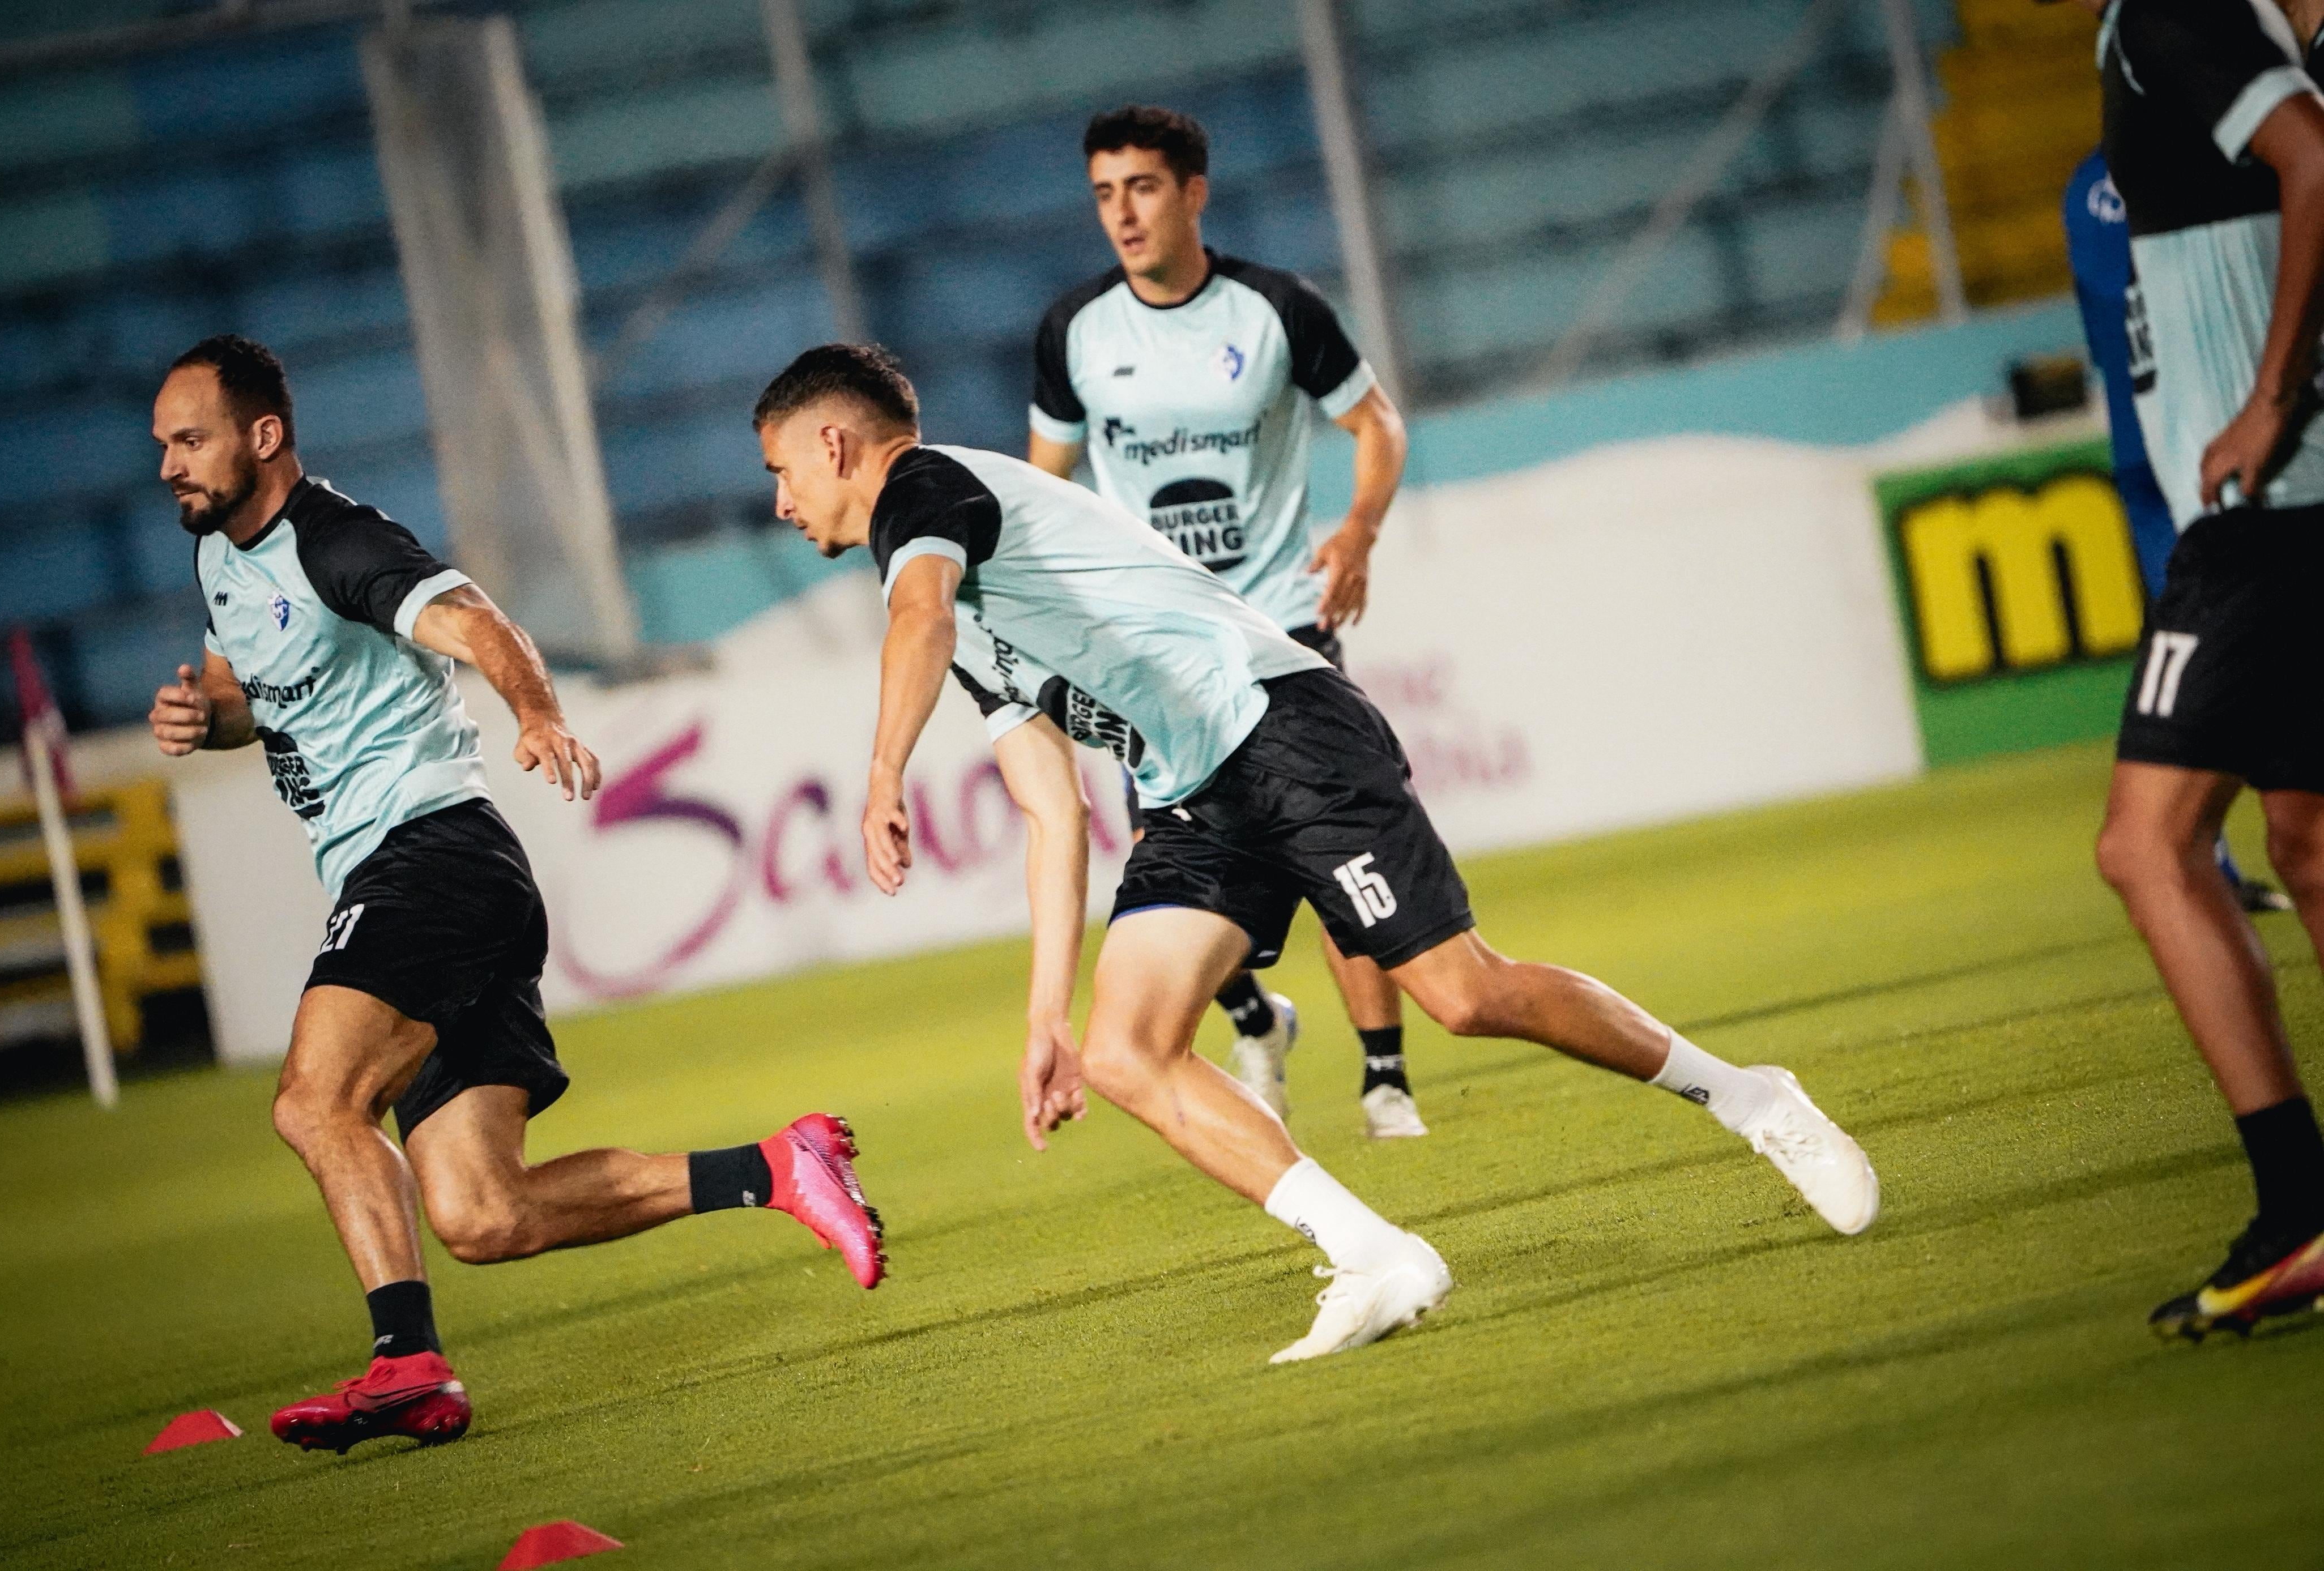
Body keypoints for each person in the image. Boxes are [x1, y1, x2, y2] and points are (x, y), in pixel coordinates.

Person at [753, 343, 1878, 1363]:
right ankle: (1375, 1254)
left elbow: (919, 622)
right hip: (1193, 794)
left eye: (781, 471)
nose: (781, 502)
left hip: (1279, 728)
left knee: (1465, 996)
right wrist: (1045, 1016)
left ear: (835, 445)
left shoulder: (926, 492)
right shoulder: (951, 600)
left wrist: (884, 774)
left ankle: (1749, 1098)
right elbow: (1049, 809)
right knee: (1123, 1051)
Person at [146, 336, 885, 1453]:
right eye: (163, 444)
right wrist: (210, 719)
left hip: (430, 858)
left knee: (315, 1101)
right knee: (483, 1211)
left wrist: (537, 713)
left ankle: (405, 1362)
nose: (170, 464)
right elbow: (251, 690)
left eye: (191, 440)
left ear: (264, 436)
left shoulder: (338, 541)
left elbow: (479, 621)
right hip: (437, 880)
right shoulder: (219, 558)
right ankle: (780, 1167)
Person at [1027, 105, 1423, 1139]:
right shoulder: (1075, 331)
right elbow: (1042, 492)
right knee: (1174, 874)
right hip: (1150, 655)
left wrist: (1360, 530)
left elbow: (1377, 422)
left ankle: (1385, 1083)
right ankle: (1257, 1018)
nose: (1123, 213)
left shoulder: (1276, 309)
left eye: (1143, 188)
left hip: (1278, 628)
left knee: (1332, 859)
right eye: (1105, 193)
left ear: (1194, 193)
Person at [2074, 0, 2324, 1338]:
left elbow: (2313, 155)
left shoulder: (2170, 8)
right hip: (2282, 507)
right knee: (2308, 844)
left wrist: (2270, 399)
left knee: (2146, 846)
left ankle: (2299, 1207)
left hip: (2265, 517)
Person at [2062, 147, 2290, 915]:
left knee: (2195, 653)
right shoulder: (2212, 149)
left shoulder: (2087, 188)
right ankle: (2244, 845)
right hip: (2209, 438)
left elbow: (2100, 325)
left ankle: (2212, 857)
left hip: (2143, 441)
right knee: (2263, 643)